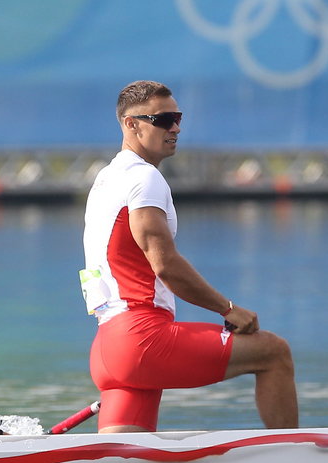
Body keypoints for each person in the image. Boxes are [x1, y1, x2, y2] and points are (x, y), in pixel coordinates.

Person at [81, 80, 298, 433]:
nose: (176, 128)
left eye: (178, 117)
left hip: (108, 348)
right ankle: (295, 456)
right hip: (144, 339)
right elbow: (165, 264)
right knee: (274, 353)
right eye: (163, 119)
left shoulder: (105, 180)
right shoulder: (144, 179)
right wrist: (228, 310)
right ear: (131, 124)